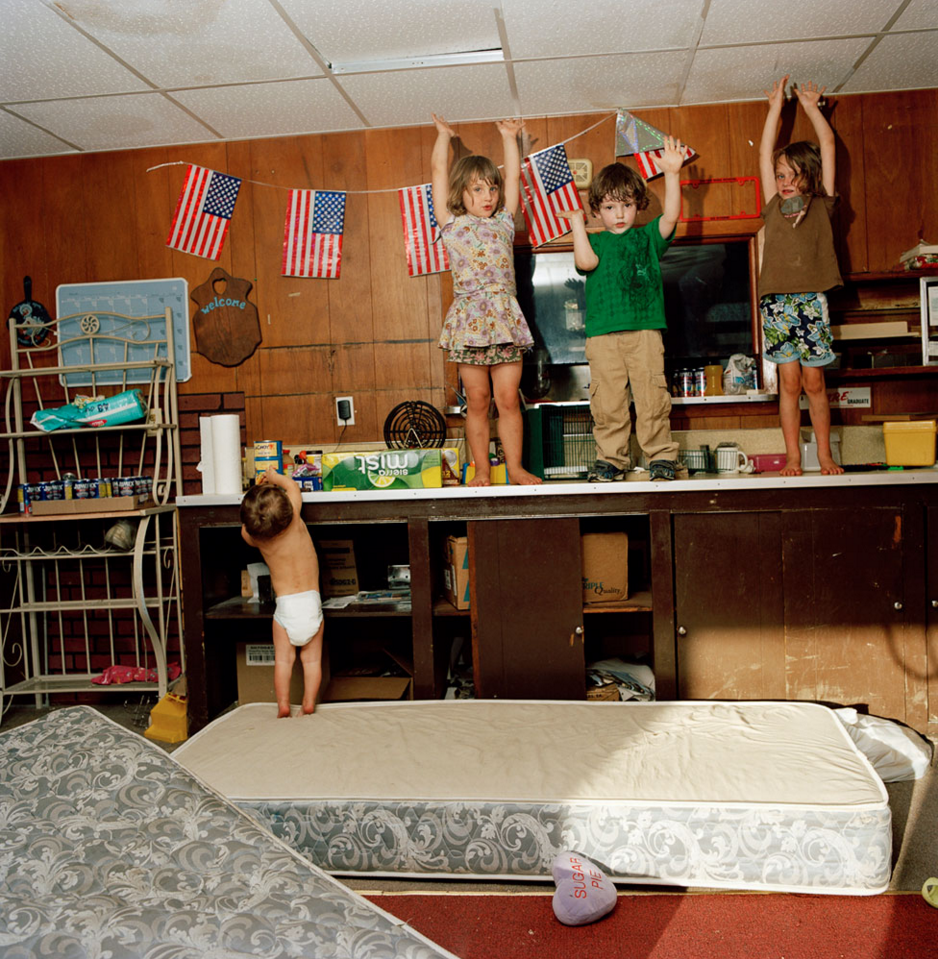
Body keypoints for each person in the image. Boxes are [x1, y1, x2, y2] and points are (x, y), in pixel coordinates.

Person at [559, 137, 685, 482]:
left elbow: (671, 216)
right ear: (597, 210)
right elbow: (585, 262)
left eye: (627, 206)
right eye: (611, 207)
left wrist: (671, 173)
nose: (619, 215)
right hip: (602, 337)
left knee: (652, 398)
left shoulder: (646, 238)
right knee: (608, 403)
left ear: (638, 206)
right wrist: (577, 225)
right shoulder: (595, 240)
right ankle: (612, 460)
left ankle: (660, 457)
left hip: (645, 331)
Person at [430, 113, 542, 486]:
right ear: (461, 192)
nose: (488, 196)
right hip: (470, 321)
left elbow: (513, 177)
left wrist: (510, 139)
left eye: (490, 189)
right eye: (478, 189)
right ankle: (482, 470)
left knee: (508, 399)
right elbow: (437, 174)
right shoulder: (450, 223)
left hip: (504, 318)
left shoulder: (504, 221)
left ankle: (514, 468)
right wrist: (444, 137)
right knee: (477, 401)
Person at [759, 75, 845, 476]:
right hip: (777, 303)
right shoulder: (773, 205)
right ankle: (793, 456)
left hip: (811, 300)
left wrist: (810, 108)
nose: (786, 182)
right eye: (781, 176)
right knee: (789, 384)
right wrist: (776, 107)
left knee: (815, 384)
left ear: (809, 178)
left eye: (794, 175)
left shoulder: (822, 204)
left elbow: (827, 145)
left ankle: (825, 455)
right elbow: (763, 154)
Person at [240, 468, 324, 718]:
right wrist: (273, 477)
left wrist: (252, 496)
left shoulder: (258, 539)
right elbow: (293, 488)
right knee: (312, 662)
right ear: (287, 508)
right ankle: (309, 702)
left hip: (286, 609)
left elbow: (246, 529)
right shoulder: (295, 517)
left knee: (284, 661)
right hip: (311, 604)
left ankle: (284, 705)